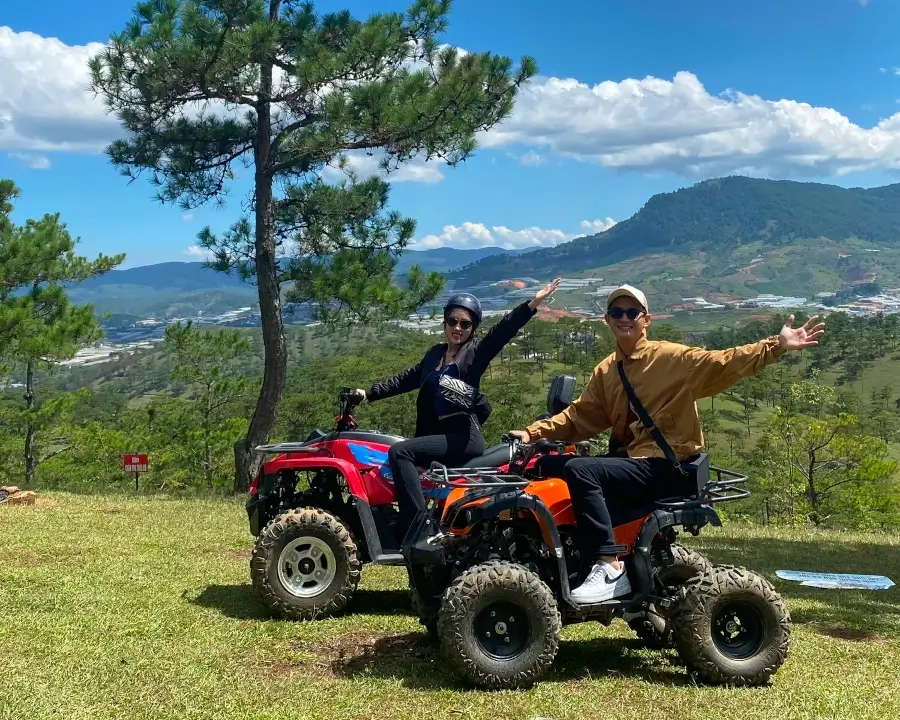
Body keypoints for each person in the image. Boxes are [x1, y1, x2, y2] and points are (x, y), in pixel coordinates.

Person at [509, 284, 824, 603]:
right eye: (617, 312)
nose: (625, 318)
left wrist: (777, 346)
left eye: (633, 312)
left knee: (582, 470)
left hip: (668, 466)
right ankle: (562, 555)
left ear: (646, 320)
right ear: (607, 319)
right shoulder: (607, 370)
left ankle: (608, 565)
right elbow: (580, 416)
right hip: (634, 463)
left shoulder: (670, 358)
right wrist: (532, 435)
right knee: (546, 465)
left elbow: (724, 363)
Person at [352, 278, 561, 547]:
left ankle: (417, 530)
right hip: (440, 435)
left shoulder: (474, 354)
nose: (458, 328)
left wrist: (533, 303)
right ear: (445, 322)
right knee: (398, 450)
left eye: (465, 324)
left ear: (473, 328)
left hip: (464, 436)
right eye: (453, 321)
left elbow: (502, 332)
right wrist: (369, 394)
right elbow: (405, 379)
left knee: (400, 451)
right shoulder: (434, 355)